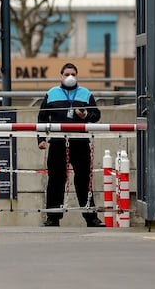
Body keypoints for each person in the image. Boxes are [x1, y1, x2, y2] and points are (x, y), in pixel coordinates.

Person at [37, 63, 105, 227]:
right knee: (56, 180)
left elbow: (96, 115)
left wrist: (85, 114)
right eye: (67, 74)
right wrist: (41, 139)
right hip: (58, 142)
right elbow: (42, 118)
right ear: (61, 75)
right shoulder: (51, 94)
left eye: (73, 74)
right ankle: (53, 217)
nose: (70, 77)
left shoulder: (85, 93)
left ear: (77, 76)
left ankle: (91, 217)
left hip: (80, 142)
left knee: (84, 180)